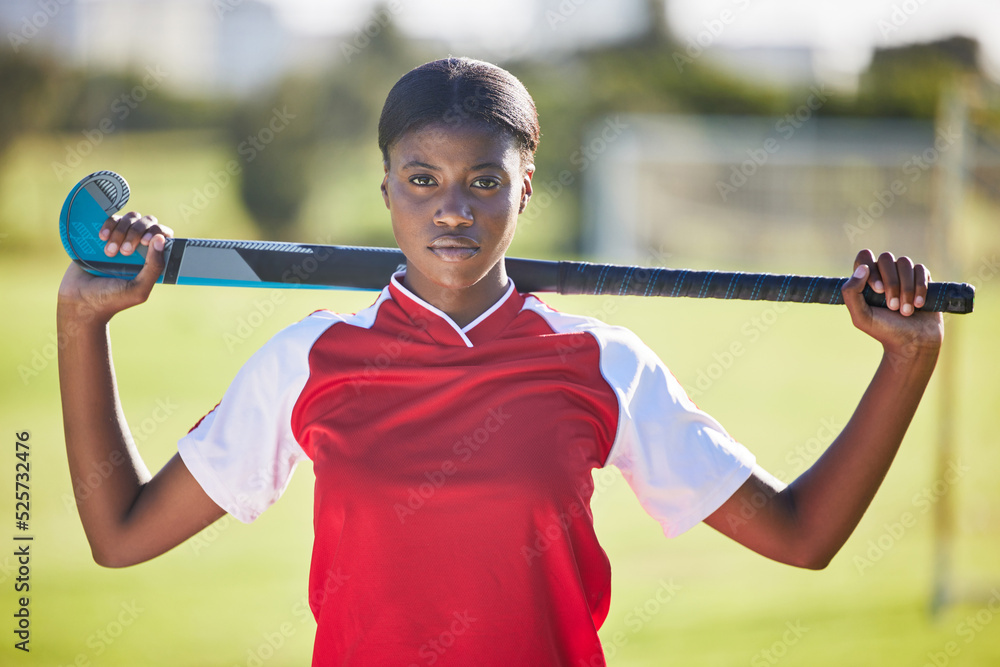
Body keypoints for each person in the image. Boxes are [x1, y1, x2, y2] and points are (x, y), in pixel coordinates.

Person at [57, 58, 943, 666]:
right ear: (386, 187)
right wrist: (80, 323)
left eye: (483, 181)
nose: (453, 210)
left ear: (524, 189)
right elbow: (123, 533)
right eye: (421, 179)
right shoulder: (309, 359)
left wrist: (905, 362)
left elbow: (801, 535)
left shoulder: (601, 363)